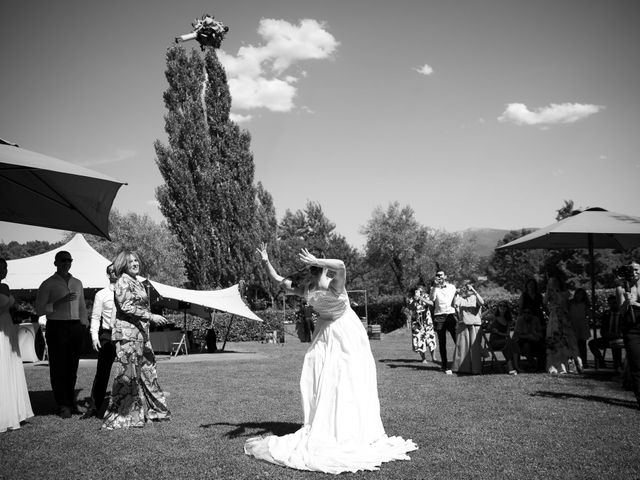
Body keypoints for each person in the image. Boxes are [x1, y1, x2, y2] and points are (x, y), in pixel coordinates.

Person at [245, 243, 417, 474]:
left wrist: (266, 261)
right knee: (341, 379)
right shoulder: (336, 286)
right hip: (339, 332)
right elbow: (341, 265)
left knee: (336, 378)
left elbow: (278, 279)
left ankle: (339, 423)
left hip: (335, 333)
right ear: (323, 271)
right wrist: (317, 260)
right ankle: (338, 424)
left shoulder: (307, 289)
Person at [102, 251, 171, 429]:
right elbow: (126, 306)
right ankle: (124, 416)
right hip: (128, 336)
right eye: (130, 261)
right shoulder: (123, 281)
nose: (135, 263)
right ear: (123, 264)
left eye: (136, 260)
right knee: (128, 376)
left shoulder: (137, 282)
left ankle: (158, 411)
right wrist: (151, 316)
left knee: (149, 372)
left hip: (141, 335)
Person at [35, 250, 87, 418]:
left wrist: (84, 324)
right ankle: (62, 404)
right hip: (56, 326)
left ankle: (70, 402)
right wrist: (58, 303)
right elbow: (39, 309)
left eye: (69, 260)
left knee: (72, 367)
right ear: (55, 263)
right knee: (58, 367)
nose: (66, 263)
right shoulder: (48, 284)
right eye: (63, 260)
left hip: (75, 326)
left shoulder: (77, 283)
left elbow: (82, 306)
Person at [0, 258, 34, 432]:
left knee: (7, 366)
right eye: (1, 267)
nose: (4, 270)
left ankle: (9, 410)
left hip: (6, 326)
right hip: (2, 328)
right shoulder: (4, 289)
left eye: (6, 267)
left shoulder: (5, 287)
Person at [82, 263, 117, 419]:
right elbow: (95, 317)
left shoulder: (128, 292)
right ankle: (94, 407)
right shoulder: (101, 294)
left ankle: (127, 405)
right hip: (107, 335)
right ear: (108, 275)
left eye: (116, 271)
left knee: (128, 371)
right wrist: (95, 337)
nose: (114, 273)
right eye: (111, 272)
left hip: (125, 335)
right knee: (102, 372)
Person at [544, 275, 581, 375]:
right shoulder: (549, 293)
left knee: (566, 341)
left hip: (564, 318)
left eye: (554, 282)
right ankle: (554, 366)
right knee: (554, 340)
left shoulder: (565, 293)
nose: (552, 284)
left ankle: (568, 366)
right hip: (553, 318)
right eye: (550, 283)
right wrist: (548, 292)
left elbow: (565, 303)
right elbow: (544, 303)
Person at [616, 261, 640, 409]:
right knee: (637, 365)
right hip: (632, 329)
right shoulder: (621, 288)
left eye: (637, 269)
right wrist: (627, 301)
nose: (634, 272)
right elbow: (621, 311)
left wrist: (636, 304)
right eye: (632, 270)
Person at [451, 282, 484, 375]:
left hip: (475, 326)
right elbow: (454, 305)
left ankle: (476, 369)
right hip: (463, 325)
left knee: (475, 349)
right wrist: (456, 294)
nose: (467, 290)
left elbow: (482, 302)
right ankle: (461, 368)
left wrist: (474, 290)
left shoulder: (475, 297)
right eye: (466, 288)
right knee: (462, 347)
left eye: (469, 289)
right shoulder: (461, 299)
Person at [429, 270, 457, 374]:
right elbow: (432, 300)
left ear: (445, 276)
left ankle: (459, 363)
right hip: (439, 316)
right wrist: (435, 287)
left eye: (441, 275)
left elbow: (456, 298)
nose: (439, 277)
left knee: (457, 340)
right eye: (437, 275)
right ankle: (444, 365)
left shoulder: (452, 287)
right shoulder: (433, 288)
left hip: (450, 315)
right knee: (442, 342)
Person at [589, 295, 623, 371]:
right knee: (592, 343)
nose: (612, 305)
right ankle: (601, 362)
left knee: (616, 343)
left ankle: (618, 365)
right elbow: (602, 330)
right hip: (608, 338)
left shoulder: (623, 314)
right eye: (610, 303)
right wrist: (606, 334)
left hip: (621, 339)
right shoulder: (607, 314)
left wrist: (619, 335)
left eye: (614, 303)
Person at [487, 301, 519, 375]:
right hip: (494, 342)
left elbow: (507, 334)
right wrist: (488, 310)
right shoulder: (494, 317)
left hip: (504, 342)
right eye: (500, 305)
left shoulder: (507, 320)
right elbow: (480, 317)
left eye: (504, 306)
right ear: (498, 307)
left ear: (507, 308)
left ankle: (514, 366)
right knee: (509, 342)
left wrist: (498, 332)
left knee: (512, 343)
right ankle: (512, 367)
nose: (502, 307)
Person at [407, 285, 436, 363]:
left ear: (423, 291)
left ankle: (433, 358)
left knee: (430, 338)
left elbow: (431, 304)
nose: (419, 291)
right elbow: (410, 307)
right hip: (416, 323)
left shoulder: (427, 296)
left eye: (420, 290)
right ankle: (423, 359)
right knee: (419, 339)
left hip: (427, 321)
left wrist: (421, 298)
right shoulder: (412, 299)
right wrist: (415, 300)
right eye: (417, 290)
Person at [569, 288, 591, 368]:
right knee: (573, 344)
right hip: (573, 324)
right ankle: (574, 363)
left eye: (581, 294)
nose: (579, 296)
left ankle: (584, 362)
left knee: (582, 344)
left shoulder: (585, 303)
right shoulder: (571, 303)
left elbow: (589, 314)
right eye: (578, 293)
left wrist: (587, 320)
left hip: (582, 325)